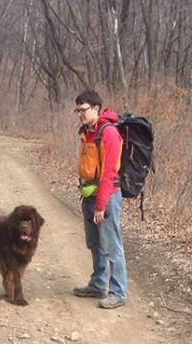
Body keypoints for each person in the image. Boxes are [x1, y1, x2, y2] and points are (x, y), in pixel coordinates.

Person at [72, 89, 127, 309]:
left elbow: (109, 173)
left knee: (111, 245)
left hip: (106, 197)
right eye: (77, 110)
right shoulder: (88, 132)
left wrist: (101, 205)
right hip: (89, 195)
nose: (79, 114)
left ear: (96, 108)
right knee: (95, 243)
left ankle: (118, 292)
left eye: (83, 109)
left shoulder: (109, 133)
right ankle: (98, 284)